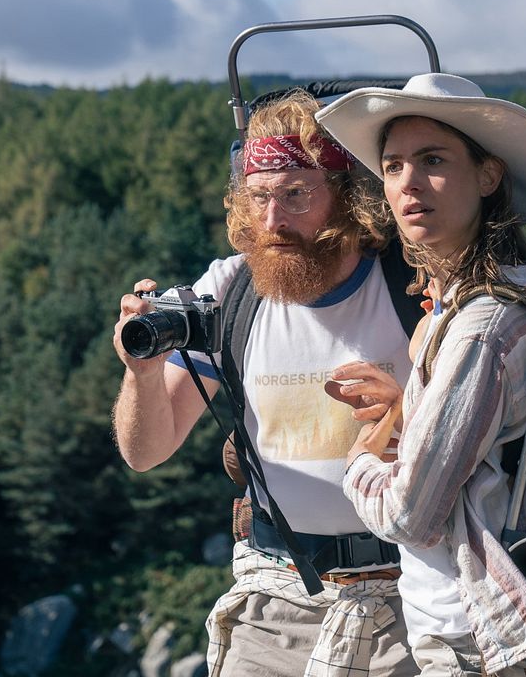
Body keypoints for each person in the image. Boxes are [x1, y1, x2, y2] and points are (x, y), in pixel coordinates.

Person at [111, 90, 418, 677]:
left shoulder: (410, 286)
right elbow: (145, 451)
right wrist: (142, 374)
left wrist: (414, 413)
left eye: (297, 194)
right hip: (273, 596)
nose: (274, 220)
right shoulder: (232, 291)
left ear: (348, 195)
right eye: (259, 198)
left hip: (408, 591)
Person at [315, 73, 526, 675]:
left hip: (473, 640)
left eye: (433, 160)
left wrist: (359, 461)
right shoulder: (484, 307)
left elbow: (410, 516)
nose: (408, 184)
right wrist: (409, 410)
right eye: (394, 165)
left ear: (487, 176)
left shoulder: (481, 328)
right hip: (473, 631)